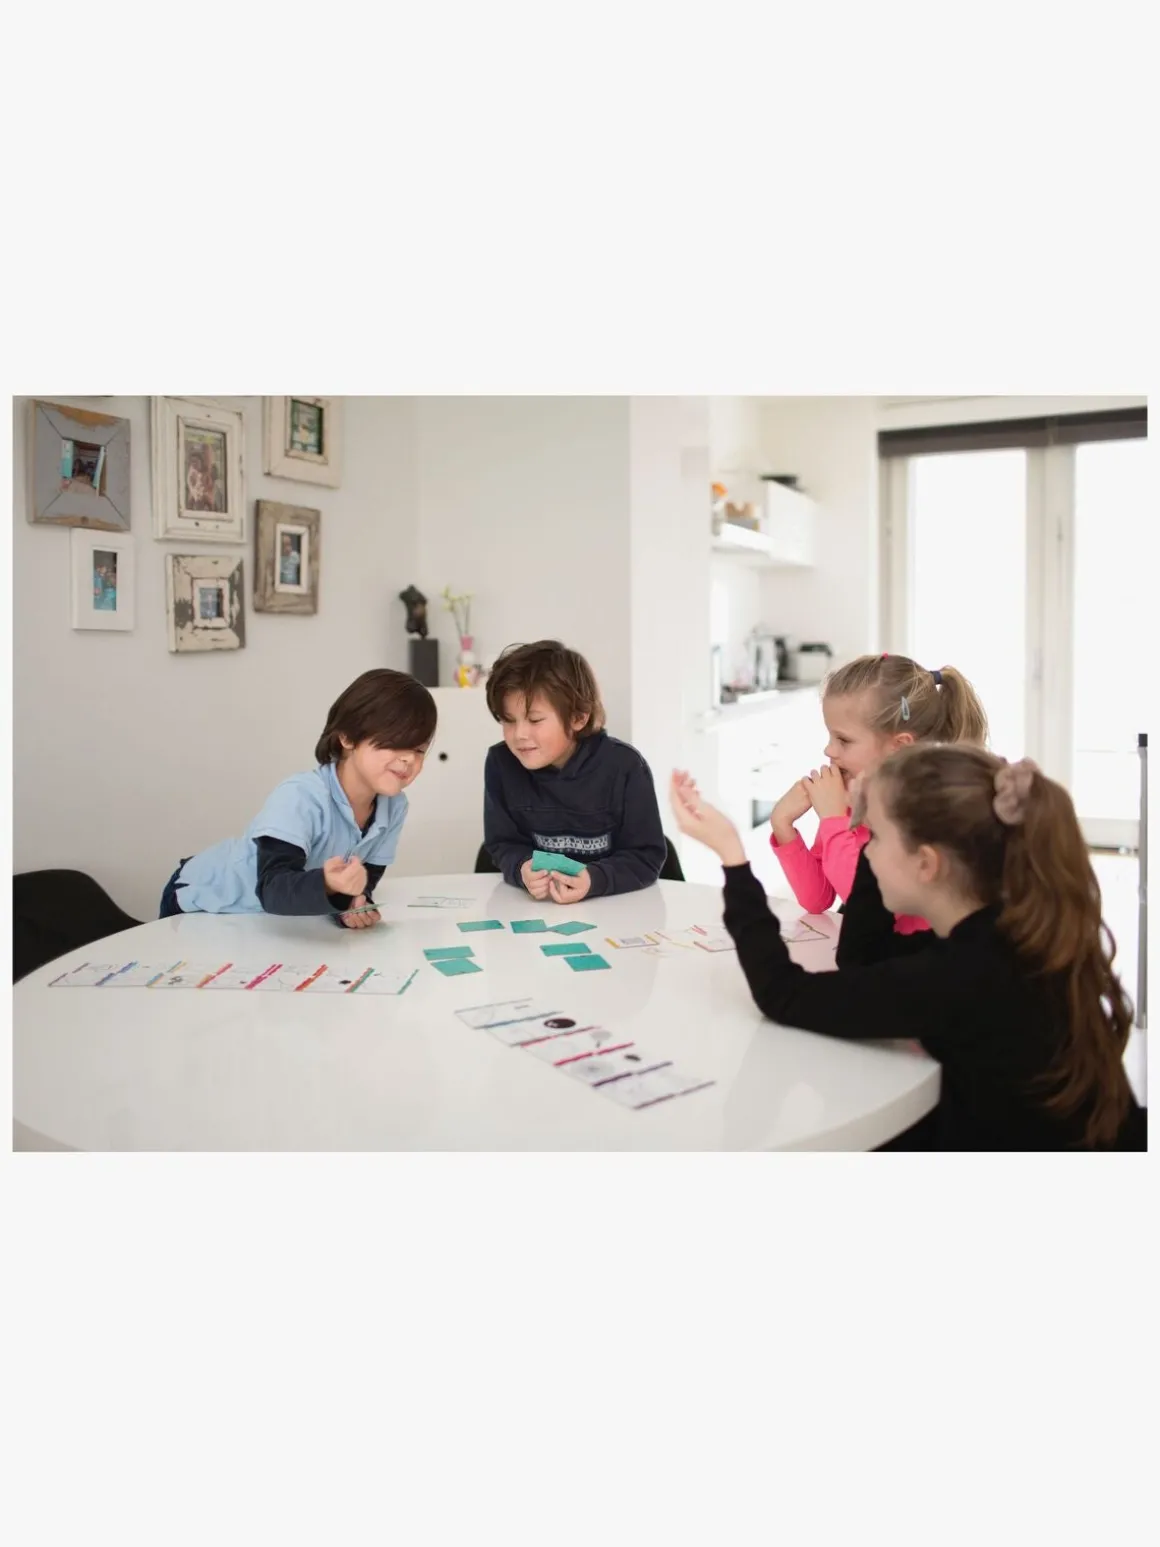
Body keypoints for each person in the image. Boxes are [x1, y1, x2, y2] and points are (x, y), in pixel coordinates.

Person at [668, 746, 1143, 1151]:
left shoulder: (962, 974)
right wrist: (871, 815)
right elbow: (863, 957)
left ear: (926, 864)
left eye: (873, 837)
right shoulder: (1003, 931)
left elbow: (783, 994)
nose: (865, 849)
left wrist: (732, 857)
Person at [159, 669, 436, 928]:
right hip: (203, 900)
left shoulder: (394, 807)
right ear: (347, 737)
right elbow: (273, 887)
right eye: (395, 743)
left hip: (264, 921)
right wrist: (328, 884)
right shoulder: (301, 796)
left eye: (419, 749)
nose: (408, 759)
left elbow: (366, 877)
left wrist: (353, 904)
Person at [770, 652, 988, 936]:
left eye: (843, 740)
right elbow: (817, 899)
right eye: (830, 736)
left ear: (899, 745)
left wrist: (833, 821)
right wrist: (783, 826)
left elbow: (872, 908)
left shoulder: (927, 814)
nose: (829, 750)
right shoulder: (850, 800)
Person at [483, 640, 666, 903]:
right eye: (508, 721)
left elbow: (645, 856)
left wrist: (594, 879)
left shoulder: (625, 767)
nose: (519, 734)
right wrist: (521, 868)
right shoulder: (501, 763)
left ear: (578, 717)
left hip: (612, 908)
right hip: (536, 909)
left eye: (535, 720)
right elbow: (502, 844)